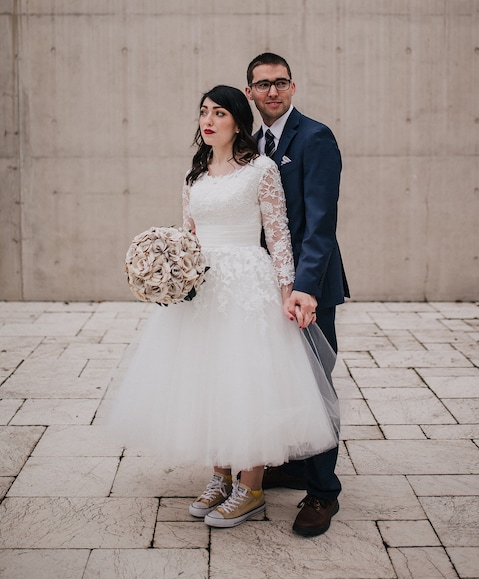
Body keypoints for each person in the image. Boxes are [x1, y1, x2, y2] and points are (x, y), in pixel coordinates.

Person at [103, 85, 339, 529]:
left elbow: (280, 235)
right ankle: (220, 475)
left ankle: (250, 488)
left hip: (249, 282)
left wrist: (289, 292)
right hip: (204, 289)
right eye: (203, 113)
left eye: (219, 113)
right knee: (208, 376)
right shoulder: (194, 176)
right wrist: (170, 271)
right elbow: (188, 236)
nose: (208, 121)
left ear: (237, 120)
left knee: (247, 378)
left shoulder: (261, 170)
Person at [245, 52, 349, 537]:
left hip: (308, 286)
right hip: (261, 285)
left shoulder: (315, 137)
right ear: (249, 92)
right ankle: (293, 465)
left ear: (293, 87)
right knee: (275, 378)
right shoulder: (248, 143)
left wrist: (305, 289)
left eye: (280, 83)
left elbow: (321, 223)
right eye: (263, 85)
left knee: (313, 383)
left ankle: (323, 491)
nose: (272, 92)